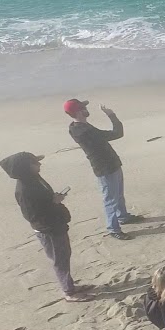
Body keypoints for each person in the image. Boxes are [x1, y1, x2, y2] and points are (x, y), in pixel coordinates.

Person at [1, 152, 93, 302]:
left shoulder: (34, 179)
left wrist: (53, 199)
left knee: (64, 255)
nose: (39, 164)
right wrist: (53, 202)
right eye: (35, 163)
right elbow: (32, 215)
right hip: (48, 229)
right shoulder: (24, 189)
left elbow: (42, 200)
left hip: (55, 224)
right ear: (25, 167)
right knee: (60, 260)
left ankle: (70, 286)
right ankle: (69, 292)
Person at [65, 98, 143, 240]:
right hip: (105, 168)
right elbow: (117, 133)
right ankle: (113, 228)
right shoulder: (84, 131)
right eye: (83, 107)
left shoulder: (76, 127)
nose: (86, 109)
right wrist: (111, 115)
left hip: (111, 163)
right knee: (110, 199)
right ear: (78, 112)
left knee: (118, 194)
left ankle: (123, 216)